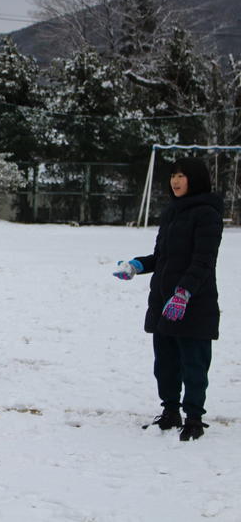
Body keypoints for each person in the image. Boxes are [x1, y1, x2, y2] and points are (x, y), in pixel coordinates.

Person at [113, 157, 223, 441]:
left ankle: (194, 419)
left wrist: (183, 293)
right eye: (173, 175)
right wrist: (137, 265)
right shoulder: (172, 211)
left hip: (194, 304)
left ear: (195, 179)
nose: (175, 181)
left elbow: (203, 261)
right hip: (164, 302)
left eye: (182, 175)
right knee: (165, 364)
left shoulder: (207, 214)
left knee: (193, 365)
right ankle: (170, 411)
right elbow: (162, 257)